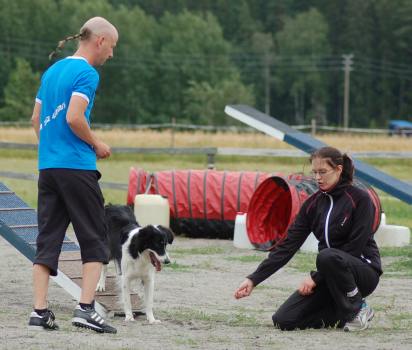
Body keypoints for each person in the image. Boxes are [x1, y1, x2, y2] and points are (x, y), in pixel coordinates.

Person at [28, 17, 118, 333]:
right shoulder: (86, 73)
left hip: (49, 168)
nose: (112, 55)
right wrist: (96, 144)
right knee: (95, 237)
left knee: (47, 239)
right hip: (77, 168)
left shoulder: (53, 71)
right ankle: (85, 309)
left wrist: (51, 150)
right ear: (100, 41)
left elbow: (36, 118)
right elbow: (74, 117)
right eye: (112, 47)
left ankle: (39, 311)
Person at [234, 146, 382, 332]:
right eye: (315, 172)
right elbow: (286, 247)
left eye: (323, 172)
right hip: (329, 275)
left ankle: (358, 308)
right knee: (284, 320)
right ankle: (343, 314)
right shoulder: (312, 205)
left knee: (327, 256)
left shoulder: (360, 199)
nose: (318, 178)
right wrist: (253, 279)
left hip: (363, 272)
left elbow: (355, 247)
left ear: (338, 169)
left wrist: (316, 278)